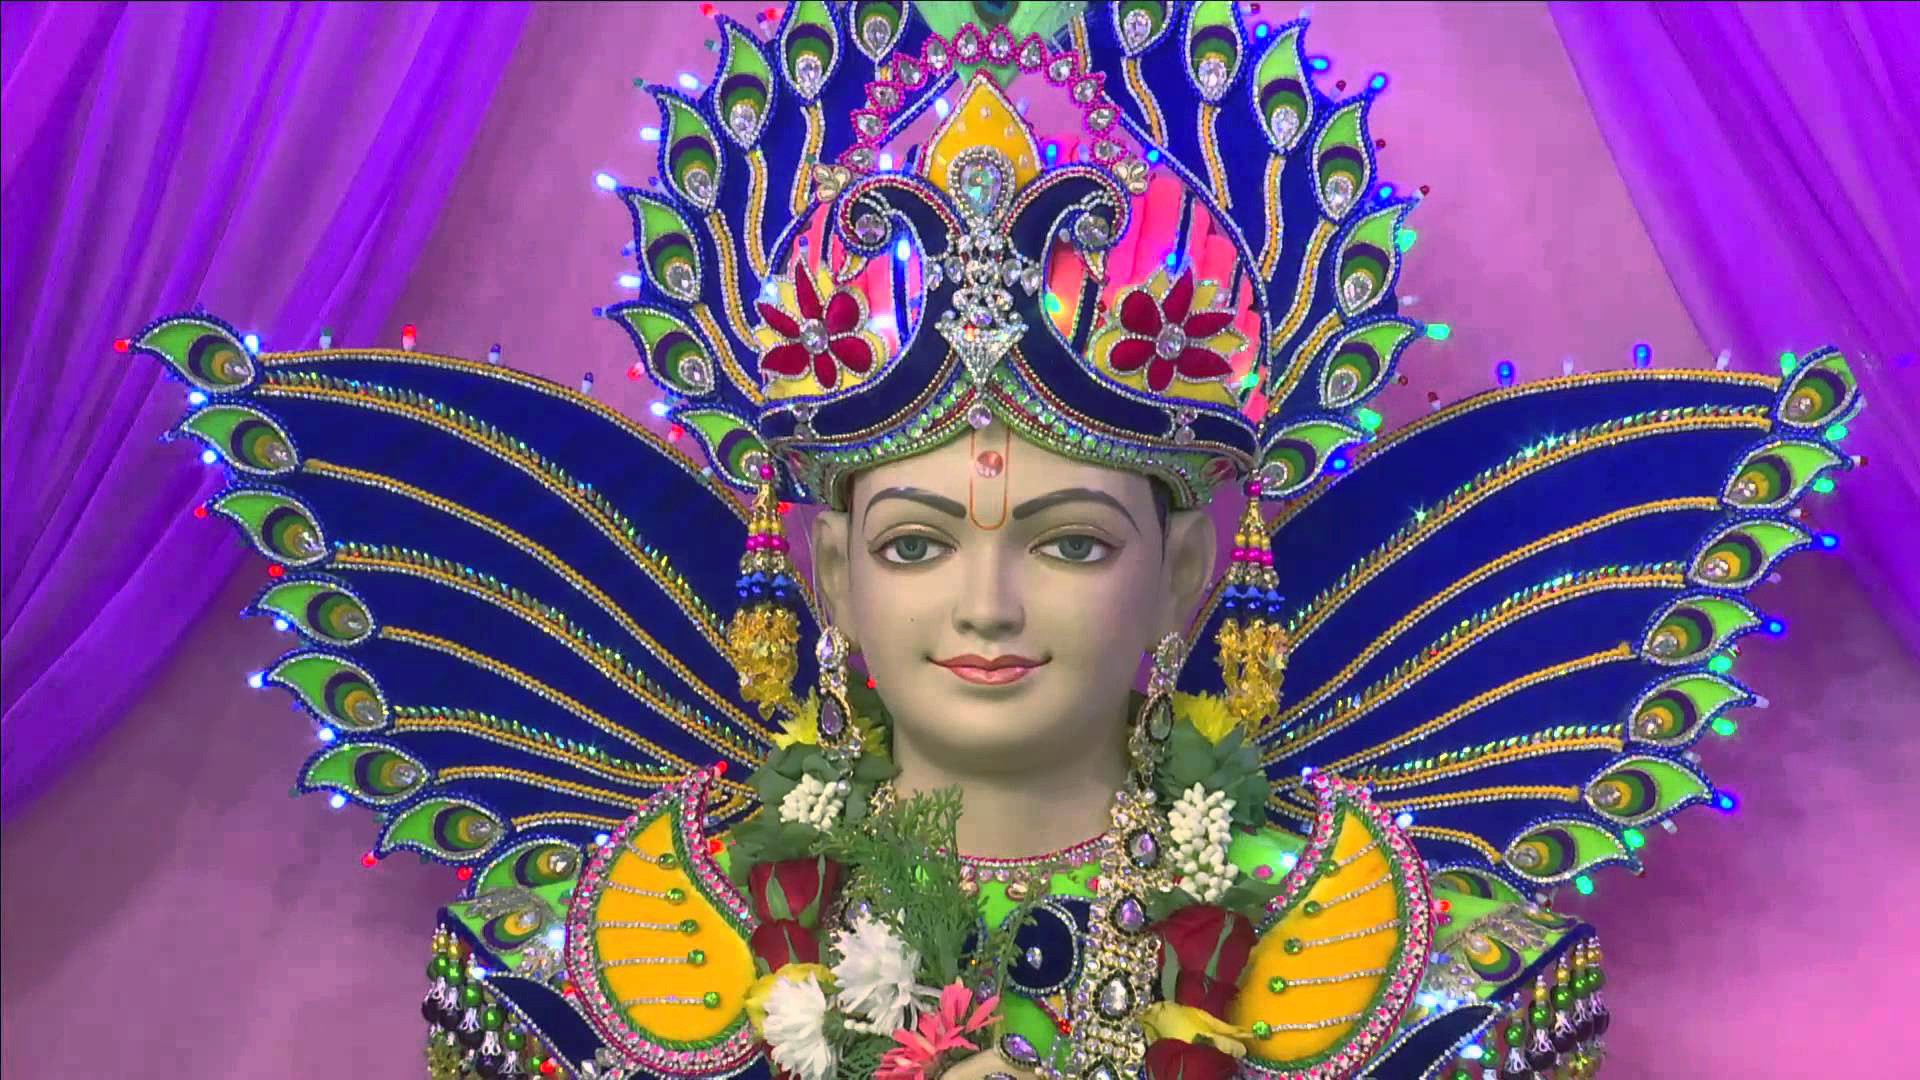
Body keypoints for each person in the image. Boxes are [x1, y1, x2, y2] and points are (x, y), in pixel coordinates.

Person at [129, 3, 1859, 1078]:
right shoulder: (634, 936)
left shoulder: (1378, 948)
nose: (986, 602)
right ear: (822, 575)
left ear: (1191, 574)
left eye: (1073, 543)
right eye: (910, 546)